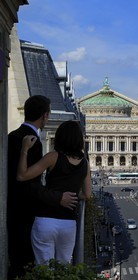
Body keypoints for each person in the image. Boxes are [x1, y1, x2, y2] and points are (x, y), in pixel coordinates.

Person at [7, 95, 78, 278]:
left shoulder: (13, 136)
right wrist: (57, 198)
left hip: (14, 206)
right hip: (25, 210)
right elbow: (29, 182)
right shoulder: (32, 141)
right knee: (28, 263)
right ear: (45, 116)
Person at [17, 120, 92, 265]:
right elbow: (87, 194)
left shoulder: (54, 156)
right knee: (63, 268)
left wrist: (24, 150)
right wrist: (73, 197)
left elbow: (22, 175)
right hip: (68, 223)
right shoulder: (85, 163)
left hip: (46, 220)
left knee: (44, 269)